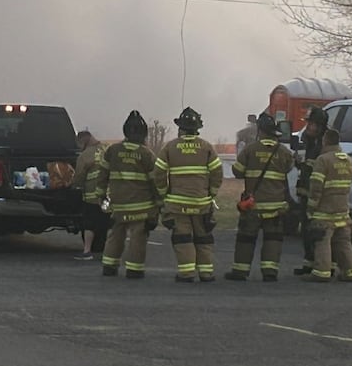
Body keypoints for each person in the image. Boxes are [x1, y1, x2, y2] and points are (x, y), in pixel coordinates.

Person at [155, 107, 225, 283]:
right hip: (201, 203)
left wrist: (164, 193)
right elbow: (217, 172)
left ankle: (186, 274)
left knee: (182, 237)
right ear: (197, 128)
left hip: (178, 204)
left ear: (181, 128)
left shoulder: (170, 147)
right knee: (203, 237)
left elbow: (159, 173)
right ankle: (206, 273)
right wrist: (212, 192)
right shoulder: (206, 147)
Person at [225, 113, 295, 282]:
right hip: (276, 206)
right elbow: (289, 168)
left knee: (246, 239)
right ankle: (270, 272)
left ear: (260, 131)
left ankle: (240, 272)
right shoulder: (284, 152)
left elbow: (237, 172)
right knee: (273, 239)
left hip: (253, 206)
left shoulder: (250, 149)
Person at [97, 112, 158, 278]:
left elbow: (102, 175)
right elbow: (155, 182)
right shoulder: (147, 154)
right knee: (138, 238)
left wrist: (101, 196)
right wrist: (159, 202)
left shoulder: (112, 151)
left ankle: (109, 267)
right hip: (142, 206)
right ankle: (134, 270)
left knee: (115, 235)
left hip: (118, 204)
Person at [302, 129, 352, 283]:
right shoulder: (348, 160)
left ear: (325, 141)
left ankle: (321, 272)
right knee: (343, 242)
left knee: (322, 240)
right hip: (343, 210)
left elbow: (316, 186)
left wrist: (311, 207)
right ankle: (350, 271)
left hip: (325, 211)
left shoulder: (323, 160)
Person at [293, 106, 329, 276]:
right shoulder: (308, 141)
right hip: (306, 192)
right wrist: (298, 161)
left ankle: (323, 264)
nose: (308, 127)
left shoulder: (324, 145)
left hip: (319, 194)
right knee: (307, 229)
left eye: (311, 124)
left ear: (320, 126)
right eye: (307, 123)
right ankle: (309, 262)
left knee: (319, 231)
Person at [71, 130, 110, 261]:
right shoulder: (107, 149)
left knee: (89, 224)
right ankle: (111, 251)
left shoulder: (85, 155)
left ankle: (87, 251)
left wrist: (73, 186)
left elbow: (79, 177)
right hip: (111, 195)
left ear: (83, 141)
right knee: (109, 222)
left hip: (92, 197)